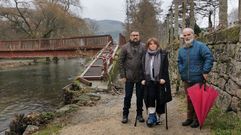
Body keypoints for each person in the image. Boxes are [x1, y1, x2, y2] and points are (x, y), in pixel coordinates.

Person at [178, 28, 214, 128]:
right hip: (186, 78)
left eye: (188, 35)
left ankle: (196, 119)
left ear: (193, 35)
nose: (186, 37)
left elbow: (209, 57)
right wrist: (181, 71)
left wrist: (205, 71)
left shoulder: (200, 46)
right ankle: (189, 118)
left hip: (198, 78)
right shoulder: (181, 49)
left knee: (197, 100)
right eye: (184, 35)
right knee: (189, 99)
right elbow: (179, 62)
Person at [141, 37, 172, 127]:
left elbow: (165, 69)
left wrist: (164, 79)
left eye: (154, 43)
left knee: (160, 98)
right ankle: (151, 116)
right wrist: (143, 79)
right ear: (148, 45)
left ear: (157, 45)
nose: (152, 45)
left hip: (160, 81)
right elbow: (142, 68)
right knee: (150, 98)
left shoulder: (163, 54)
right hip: (149, 81)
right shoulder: (144, 54)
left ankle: (158, 117)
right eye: (150, 44)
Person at [119, 31, 145, 124]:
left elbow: (147, 60)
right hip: (129, 76)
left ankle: (139, 114)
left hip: (140, 76)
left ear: (139, 36)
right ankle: (125, 115)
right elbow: (120, 62)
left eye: (137, 35)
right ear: (130, 36)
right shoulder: (125, 47)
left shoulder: (144, 46)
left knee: (140, 96)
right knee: (128, 96)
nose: (135, 37)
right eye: (133, 35)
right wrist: (123, 75)